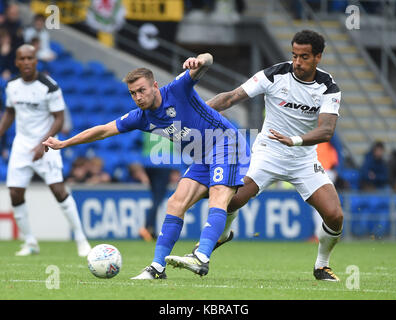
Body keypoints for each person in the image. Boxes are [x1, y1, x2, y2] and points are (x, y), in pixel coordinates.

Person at [43, 52, 250, 279]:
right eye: (133, 93)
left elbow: (209, 60)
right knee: (175, 203)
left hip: (226, 142)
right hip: (202, 156)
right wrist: (64, 143)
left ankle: (201, 257)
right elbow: (103, 130)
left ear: (155, 86)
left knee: (217, 195)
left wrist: (199, 61)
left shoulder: (177, 89)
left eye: (142, 90)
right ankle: (157, 268)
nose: (138, 97)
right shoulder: (140, 117)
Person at [185, 30, 344, 281]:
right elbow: (230, 97)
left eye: (304, 57)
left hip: (303, 159)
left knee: (335, 216)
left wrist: (295, 140)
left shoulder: (328, 87)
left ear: (318, 57)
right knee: (233, 199)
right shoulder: (274, 75)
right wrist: (194, 113)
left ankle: (321, 265)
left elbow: (326, 130)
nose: (297, 62)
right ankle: (224, 234)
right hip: (268, 152)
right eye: (294, 55)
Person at [0, 44, 91, 257]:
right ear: (16, 62)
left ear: (36, 61)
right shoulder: (12, 85)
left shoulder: (49, 86)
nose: (26, 62)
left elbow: (59, 119)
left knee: (58, 190)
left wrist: (44, 143)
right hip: (21, 146)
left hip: (47, 144)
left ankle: (81, 239)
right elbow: (10, 112)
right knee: (14, 192)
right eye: (21, 59)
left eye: (30, 58)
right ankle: (30, 242)